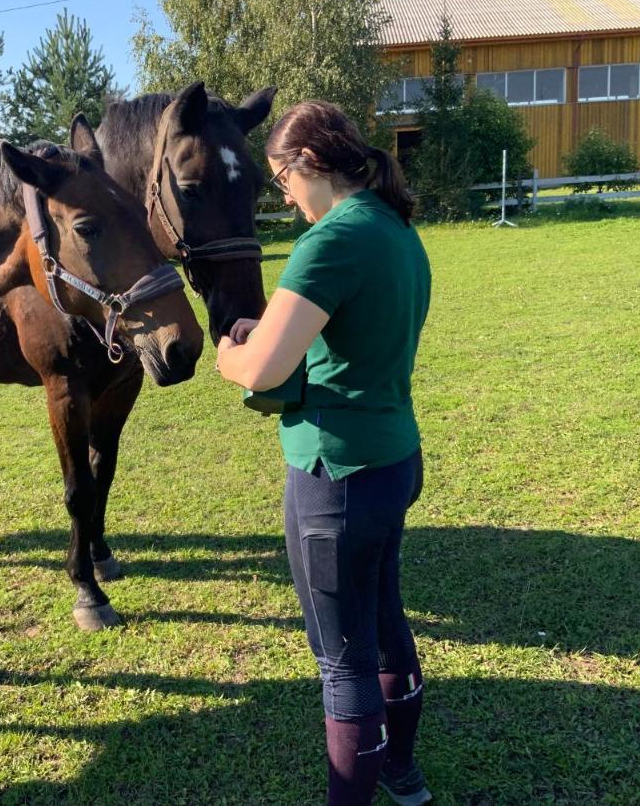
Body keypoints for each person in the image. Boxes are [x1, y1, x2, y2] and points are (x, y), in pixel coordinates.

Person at [215, 101, 432, 805]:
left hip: (334, 474)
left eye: (281, 177)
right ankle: (402, 771)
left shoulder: (331, 239)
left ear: (310, 163)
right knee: (385, 623)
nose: (282, 194)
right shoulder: (393, 226)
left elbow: (263, 371)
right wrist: (271, 327)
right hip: (393, 457)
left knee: (343, 663)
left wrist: (230, 355)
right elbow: (338, 331)